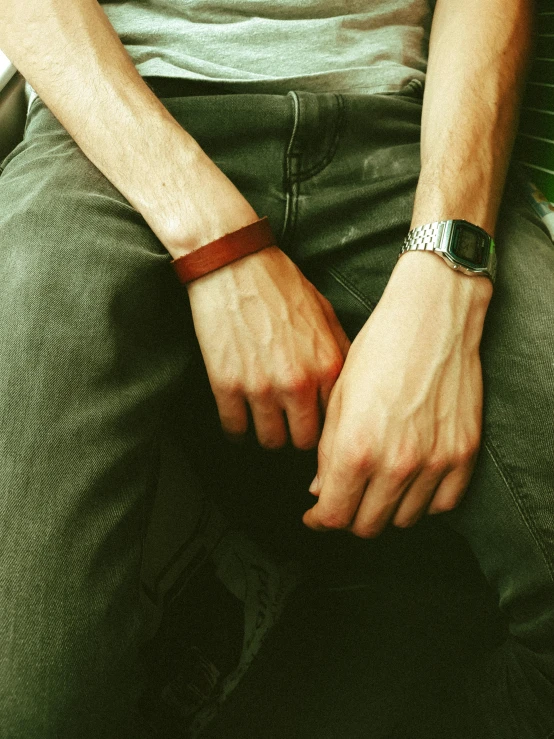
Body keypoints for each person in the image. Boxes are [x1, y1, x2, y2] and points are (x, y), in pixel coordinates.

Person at [0, 0, 552, 737]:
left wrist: (447, 266)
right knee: (30, 709)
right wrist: (219, 243)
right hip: (110, 128)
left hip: (413, 133)